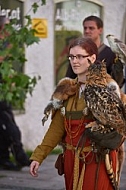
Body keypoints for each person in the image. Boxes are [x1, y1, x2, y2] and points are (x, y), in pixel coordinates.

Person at [30, 37, 124, 190]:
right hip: (71, 160)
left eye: (80, 56)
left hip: (96, 159)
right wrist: (38, 156)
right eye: (72, 57)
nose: (74, 61)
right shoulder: (66, 89)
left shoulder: (108, 88)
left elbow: (120, 128)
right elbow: (56, 128)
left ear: (92, 58)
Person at [0, 15, 30, 170]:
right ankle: (18, 156)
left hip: (4, 93)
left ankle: (10, 157)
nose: (10, 30)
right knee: (9, 126)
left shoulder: (5, 45)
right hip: (1, 94)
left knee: (6, 126)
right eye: (7, 27)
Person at [66, 15, 124, 88]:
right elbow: (69, 78)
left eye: (91, 28)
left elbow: (117, 81)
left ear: (100, 30)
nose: (87, 31)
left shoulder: (110, 53)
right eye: (85, 28)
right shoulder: (76, 52)